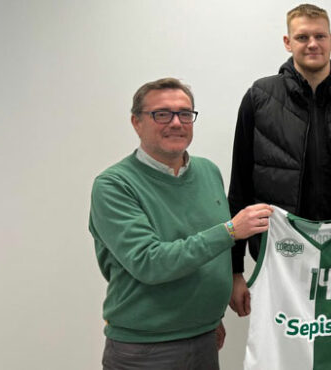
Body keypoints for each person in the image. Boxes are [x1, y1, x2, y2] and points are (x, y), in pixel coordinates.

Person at [227, 3, 331, 317]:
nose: (312, 44)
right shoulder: (259, 97)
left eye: (320, 36)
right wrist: (234, 269)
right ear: (287, 42)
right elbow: (239, 185)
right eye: (302, 36)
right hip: (280, 256)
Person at [89, 78, 272, 370]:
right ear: (136, 122)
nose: (176, 123)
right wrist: (230, 231)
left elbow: (211, 253)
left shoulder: (208, 171)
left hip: (205, 338)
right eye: (162, 114)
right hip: (145, 350)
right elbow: (149, 262)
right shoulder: (114, 185)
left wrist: (217, 307)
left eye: (185, 114)